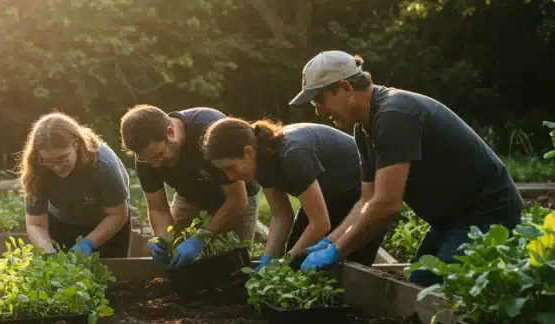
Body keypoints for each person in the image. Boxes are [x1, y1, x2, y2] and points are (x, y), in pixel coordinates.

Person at [288, 51, 522, 285]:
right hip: (449, 220)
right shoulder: (364, 130)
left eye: (319, 100)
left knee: (443, 291)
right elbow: (367, 200)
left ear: (345, 88)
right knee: (420, 284)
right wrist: (329, 242)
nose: (318, 111)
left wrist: (336, 252)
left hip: (487, 212)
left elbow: (387, 204)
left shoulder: (394, 115)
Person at [202, 117, 386, 270]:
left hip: (363, 196)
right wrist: (269, 260)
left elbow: (320, 224)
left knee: (345, 269)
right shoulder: (262, 162)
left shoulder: (292, 154)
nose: (230, 176)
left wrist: (286, 262)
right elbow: (281, 216)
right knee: (297, 260)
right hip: (329, 196)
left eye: (230, 167)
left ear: (248, 152)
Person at [119, 105, 262, 268]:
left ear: (170, 132)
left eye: (159, 155)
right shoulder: (147, 157)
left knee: (232, 263)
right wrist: (162, 240)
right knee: (175, 259)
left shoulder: (207, 131)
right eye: (148, 160)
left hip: (238, 194)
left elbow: (237, 200)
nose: (155, 165)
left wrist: (201, 238)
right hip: (189, 195)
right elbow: (158, 209)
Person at [18, 113, 132, 258]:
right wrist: (48, 251)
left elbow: (118, 214)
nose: (57, 167)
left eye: (62, 158)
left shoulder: (102, 164)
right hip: (62, 221)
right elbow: (35, 224)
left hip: (108, 222)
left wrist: (88, 243)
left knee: (111, 271)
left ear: (76, 144)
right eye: (48, 161)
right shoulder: (36, 169)